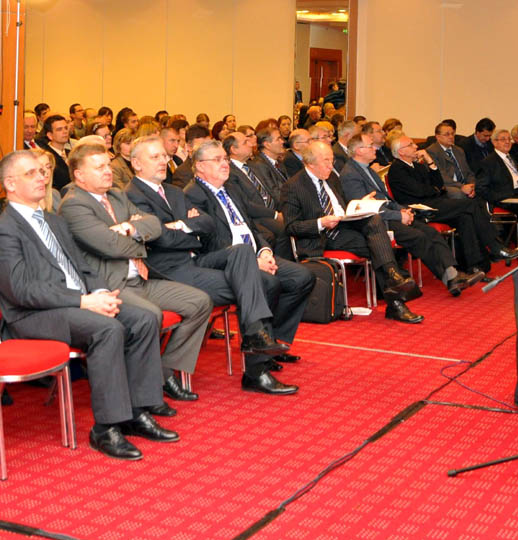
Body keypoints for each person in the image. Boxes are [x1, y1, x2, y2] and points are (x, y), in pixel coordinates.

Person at [0, 150, 178, 460]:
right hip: (32, 315)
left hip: (77, 302)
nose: (42, 177)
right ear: (10, 184)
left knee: (144, 318)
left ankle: (137, 411)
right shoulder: (6, 227)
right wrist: (84, 301)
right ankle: (106, 428)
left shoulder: (53, 220)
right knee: (107, 329)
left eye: (42, 171)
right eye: (31, 173)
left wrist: (102, 293)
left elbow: (82, 267)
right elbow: (21, 290)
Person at [125, 137, 301, 394]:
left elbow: (206, 224)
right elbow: (160, 238)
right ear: (136, 163)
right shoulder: (131, 195)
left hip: (193, 260)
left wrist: (179, 227)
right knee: (260, 283)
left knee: (243, 253)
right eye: (155, 157)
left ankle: (255, 344)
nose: (163, 161)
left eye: (164, 156)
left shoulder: (173, 191)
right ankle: (256, 366)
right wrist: (187, 227)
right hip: (168, 270)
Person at [59, 142, 212, 404]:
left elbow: (155, 225)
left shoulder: (117, 195)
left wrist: (130, 228)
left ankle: (164, 372)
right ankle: (146, 391)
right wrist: (140, 237)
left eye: (108, 165)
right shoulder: (74, 205)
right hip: (112, 285)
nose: (108, 171)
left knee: (200, 302)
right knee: (150, 315)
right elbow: (111, 246)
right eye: (99, 167)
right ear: (79, 175)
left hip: (141, 278)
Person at [184, 141, 313, 389]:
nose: (225, 164)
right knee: (267, 282)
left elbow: (250, 228)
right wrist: (252, 262)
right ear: (200, 166)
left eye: (225, 158)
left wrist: (264, 251)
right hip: (223, 260)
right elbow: (210, 242)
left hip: (252, 253)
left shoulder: (230, 188)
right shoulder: (193, 195)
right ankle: (256, 370)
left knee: (302, 277)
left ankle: (273, 341)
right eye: (217, 160)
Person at [283, 141, 424, 323]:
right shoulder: (293, 186)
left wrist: (361, 205)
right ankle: (395, 289)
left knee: (374, 220)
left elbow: (344, 206)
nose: (331, 165)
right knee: (378, 246)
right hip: (324, 235)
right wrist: (321, 222)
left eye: (332, 160)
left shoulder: (331, 178)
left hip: (346, 225)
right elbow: (291, 226)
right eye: (326, 161)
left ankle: (394, 279)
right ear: (310, 163)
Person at [341, 133, 483, 296]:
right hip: (377, 222)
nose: (375, 148)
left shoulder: (368, 169)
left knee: (430, 232)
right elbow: (364, 208)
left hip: (390, 214)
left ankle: (453, 275)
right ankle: (450, 278)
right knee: (418, 236)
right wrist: (398, 216)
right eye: (370, 145)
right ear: (359, 150)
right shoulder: (350, 174)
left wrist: (402, 210)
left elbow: (387, 199)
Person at [387, 134, 518, 274]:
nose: (416, 146)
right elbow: (420, 191)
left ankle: (476, 266)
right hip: (419, 209)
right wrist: (435, 189)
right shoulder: (397, 169)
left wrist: (430, 161)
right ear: (401, 152)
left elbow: (439, 183)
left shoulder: (417, 166)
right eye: (410, 144)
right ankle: (495, 247)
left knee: (465, 217)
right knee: (471, 205)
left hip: (434, 202)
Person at [475, 129, 518, 221]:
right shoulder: (488, 162)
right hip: (506, 197)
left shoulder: (513, 157)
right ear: (494, 142)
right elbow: (481, 188)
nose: (508, 142)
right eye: (503, 139)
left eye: (509, 139)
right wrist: (501, 197)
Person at [426, 121, 476, 199]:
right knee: (458, 194)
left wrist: (472, 186)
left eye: (452, 134)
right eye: (447, 134)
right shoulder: (431, 151)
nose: (451, 137)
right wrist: (462, 186)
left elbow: (468, 172)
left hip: (464, 184)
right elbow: (441, 176)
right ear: (438, 137)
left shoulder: (459, 150)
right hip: (446, 185)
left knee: (482, 189)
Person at [40, 115, 71, 190]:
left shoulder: (71, 153)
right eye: (59, 129)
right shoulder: (46, 157)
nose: (65, 132)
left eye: (66, 128)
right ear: (50, 135)